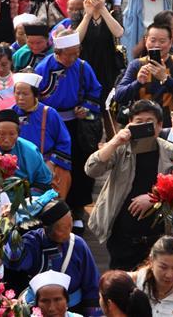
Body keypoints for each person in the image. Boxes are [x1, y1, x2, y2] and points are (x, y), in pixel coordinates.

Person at [85, 101, 173, 269]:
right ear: (130, 123)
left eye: (149, 121)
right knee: (121, 279)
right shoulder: (122, 148)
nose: (144, 125)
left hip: (157, 232)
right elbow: (92, 169)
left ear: (159, 125)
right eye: (138, 121)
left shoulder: (172, 152)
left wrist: (154, 197)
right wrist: (115, 141)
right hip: (122, 231)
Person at [35, 31, 102, 228]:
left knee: (79, 164)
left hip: (76, 123)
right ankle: (51, 209)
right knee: (54, 164)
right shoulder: (43, 68)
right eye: (68, 54)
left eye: (76, 53)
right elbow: (35, 96)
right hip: (51, 123)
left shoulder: (82, 67)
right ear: (57, 51)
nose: (73, 58)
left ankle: (78, 209)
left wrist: (86, 108)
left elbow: (95, 90)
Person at [4, 198, 100, 314]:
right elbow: (14, 260)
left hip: (73, 308)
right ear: (47, 229)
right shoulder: (33, 242)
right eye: (62, 228)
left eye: (70, 225)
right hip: (39, 309)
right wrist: (10, 227)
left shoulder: (78, 244)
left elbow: (92, 285)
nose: (68, 232)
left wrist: (93, 313)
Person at [115, 23, 173, 127]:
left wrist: (165, 78)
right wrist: (138, 82)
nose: (157, 45)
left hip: (170, 125)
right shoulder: (137, 64)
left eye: (162, 41)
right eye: (152, 40)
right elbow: (119, 96)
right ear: (146, 41)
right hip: (141, 125)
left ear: (170, 43)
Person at [13, 71, 72, 197]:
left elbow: (64, 141)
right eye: (17, 93)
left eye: (25, 94)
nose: (20, 98)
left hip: (44, 166)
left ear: (35, 95)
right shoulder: (12, 113)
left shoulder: (49, 113)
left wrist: (52, 163)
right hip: (18, 168)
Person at [73, 0, 124, 122]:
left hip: (108, 64)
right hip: (86, 63)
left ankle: (111, 136)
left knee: (109, 106)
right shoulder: (79, 14)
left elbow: (119, 32)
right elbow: (75, 40)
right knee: (88, 106)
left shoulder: (113, 13)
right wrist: (88, 15)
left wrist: (103, 9)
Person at [0, 109, 53, 192]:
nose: (6, 139)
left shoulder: (30, 150)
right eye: (1, 134)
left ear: (18, 134)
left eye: (12, 134)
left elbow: (44, 181)